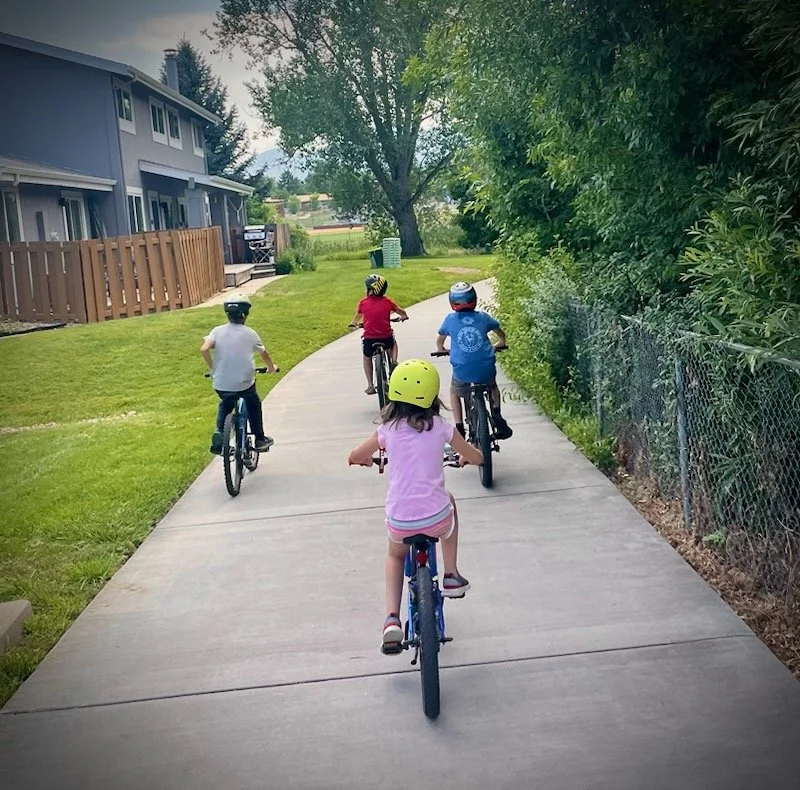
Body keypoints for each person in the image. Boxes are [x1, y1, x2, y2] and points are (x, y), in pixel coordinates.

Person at [347, 359, 483, 651]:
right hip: (437, 520)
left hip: (400, 522)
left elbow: (356, 455)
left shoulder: (387, 430)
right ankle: (451, 574)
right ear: (433, 395)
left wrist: (365, 459)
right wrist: (468, 457)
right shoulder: (442, 427)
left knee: (396, 556)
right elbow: (476, 456)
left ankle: (392, 619)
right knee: (450, 501)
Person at [201, 294, 278, 455]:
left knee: (226, 402)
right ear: (245, 314)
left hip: (221, 382)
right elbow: (265, 355)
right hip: (244, 383)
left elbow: (204, 348)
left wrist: (213, 368)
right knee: (253, 404)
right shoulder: (250, 333)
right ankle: (259, 438)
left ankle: (220, 433)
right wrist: (271, 368)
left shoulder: (217, 331)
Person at [436, 281, 513, 440]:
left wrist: (441, 349)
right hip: (485, 367)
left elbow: (440, 341)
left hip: (462, 370)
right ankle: (497, 414)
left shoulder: (450, 319)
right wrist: (501, 343)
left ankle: (459, 427)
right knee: (492, 386)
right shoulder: (483, 317)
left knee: (454, 391)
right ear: (474, 299)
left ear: (452, 303)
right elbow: (501, 335)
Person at [350, 274, 409, 394]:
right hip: (385, 337)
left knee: (367, 357)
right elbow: (401, 311)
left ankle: (370, 385)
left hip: (369, 339)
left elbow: (356, 318)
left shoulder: (363, 303)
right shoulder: (387, 302)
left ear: (370, 290)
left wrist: (354, 324)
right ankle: (393, 361)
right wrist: (404, 316)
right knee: (393, 342)